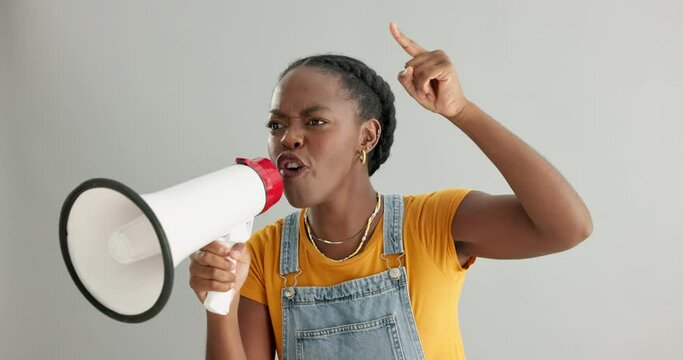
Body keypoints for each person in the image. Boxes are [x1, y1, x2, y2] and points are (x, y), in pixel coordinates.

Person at [188, 21, 593, 360]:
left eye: (314, 122)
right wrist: (218, 305)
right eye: (277, 125)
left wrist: (461, 111)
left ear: (366, 136)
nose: (288, 138)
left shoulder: (433, 223)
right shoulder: (260, 255)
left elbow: (567, 228)